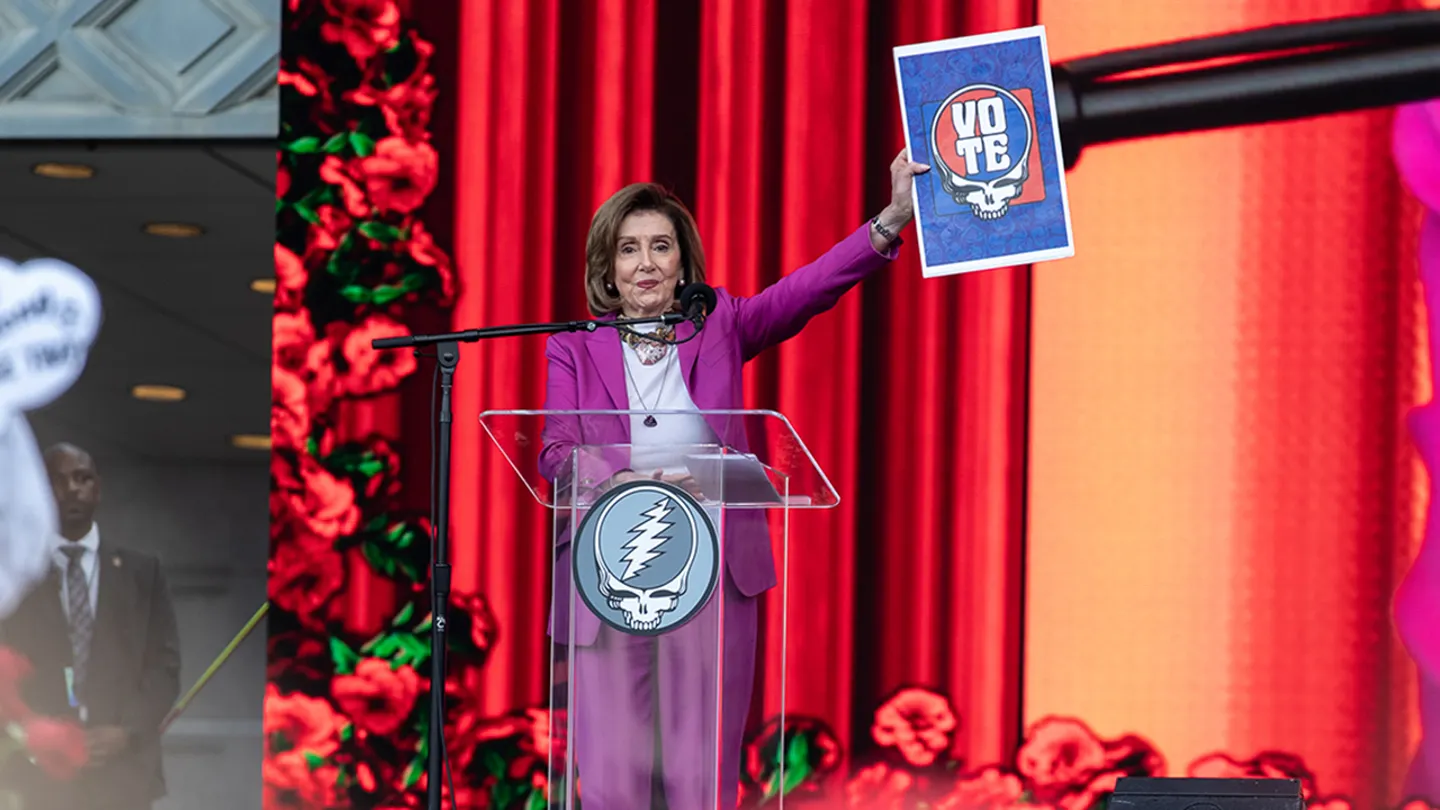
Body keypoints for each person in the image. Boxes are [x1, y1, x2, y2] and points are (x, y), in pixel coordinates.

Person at [539, 150, 929, 809]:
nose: (645, 264)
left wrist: (889, 222)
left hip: (712, 568)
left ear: (683, 262)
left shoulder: (720, 321)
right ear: (606, 267)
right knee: (611, 783)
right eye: (629, 249)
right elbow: (554, 455)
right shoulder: (573, 346)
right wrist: (636, 475)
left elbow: (808, 289)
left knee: (702, 780)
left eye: (661, 247)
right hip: (609, 572)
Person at [0, 443, 181, 810]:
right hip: (37, 776)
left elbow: (163, 669)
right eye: (58, 480)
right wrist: (33, 731)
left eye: (82, 478)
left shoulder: (142, 573)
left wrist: (126, 732)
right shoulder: (15, 576)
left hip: (122, 774)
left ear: (98, 488)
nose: (72, 489)